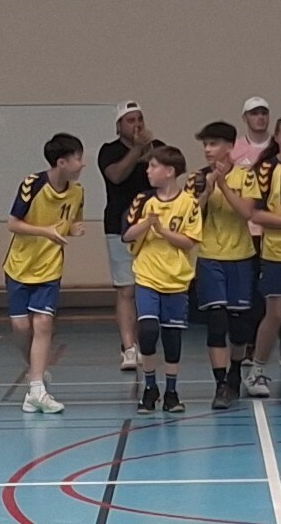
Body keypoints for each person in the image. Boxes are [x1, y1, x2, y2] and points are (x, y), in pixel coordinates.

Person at [5, 133, 85, 414]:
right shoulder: (33, 185)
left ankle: (37, 388)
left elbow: (71, 221)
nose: (82, 164)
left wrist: (74, 229)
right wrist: (45, 231)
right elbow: (13, 223)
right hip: (20, 266)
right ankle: (35, 372)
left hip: (50, 268)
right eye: (78, 158)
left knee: (42, 324)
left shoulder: (78, 192)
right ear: (62, 162)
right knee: (20, 328)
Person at [184, 122, 261, 409]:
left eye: (213, 143)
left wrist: (224, 185)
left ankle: (235, 373)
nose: (208, 149)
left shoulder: (246, 176)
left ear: (230, 146)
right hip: (210, 257)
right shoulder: (196, 178)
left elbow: (246, 212)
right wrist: (207, 190)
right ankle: (219, 385)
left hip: (240, 257)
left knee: (239, 327)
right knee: (216, 323)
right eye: (205, 144)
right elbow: (191, 215)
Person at [122, 146, 202, 414]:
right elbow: (127, 234)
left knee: (172, 336)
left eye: (153, 166)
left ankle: (171, 391)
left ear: (169, 171)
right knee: (147, 331)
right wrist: (147, 223)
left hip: (176, 278)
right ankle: (149, 387)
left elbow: (189, 241)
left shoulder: (189, 203)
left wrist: (163, 231)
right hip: (147, 275)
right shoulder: (144, 201)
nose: (148, 171)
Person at [98, 101, 165, 371]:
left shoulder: (157, 148)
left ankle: (148, 342)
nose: (136, 125)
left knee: (150, 286)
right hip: (119, 225)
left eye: (139, 119)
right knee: (126, 288)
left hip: (154, 227)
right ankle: (128, 347)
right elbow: (116, 176)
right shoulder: (109, 151)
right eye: (130, 120)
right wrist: (137, 149)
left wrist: (150, 150)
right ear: (119, 126)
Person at [244, 116, 281, 397]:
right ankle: (256, 370)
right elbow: (255, 214)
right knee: (276, 313)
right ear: (276, 139)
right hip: (278, 252)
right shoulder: (266, 170)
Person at [232, 97, 271, 367]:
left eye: (263, 113)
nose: (259, 118)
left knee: (274, 290)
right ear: (245, 117)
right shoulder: (235, 150)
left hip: (273, 228)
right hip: (246, 229)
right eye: (254, 113)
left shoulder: (276, 147)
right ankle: (249, 343)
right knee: (249, 290)